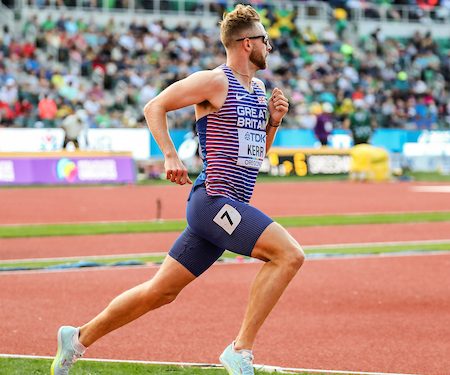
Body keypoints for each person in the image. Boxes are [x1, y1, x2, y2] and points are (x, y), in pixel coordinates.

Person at [50, 5, 304, 375]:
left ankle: (76, 338)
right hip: (214, 202)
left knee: (160, 292)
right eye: (266, 40)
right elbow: (155, 106)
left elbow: (254, 158)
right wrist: (170, 155)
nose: (270, 47)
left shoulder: (259, 89)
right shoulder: (215, 81)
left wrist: (274, 124)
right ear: (247, 43)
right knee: (289, 256)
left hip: (227, 207)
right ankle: (240, 350)